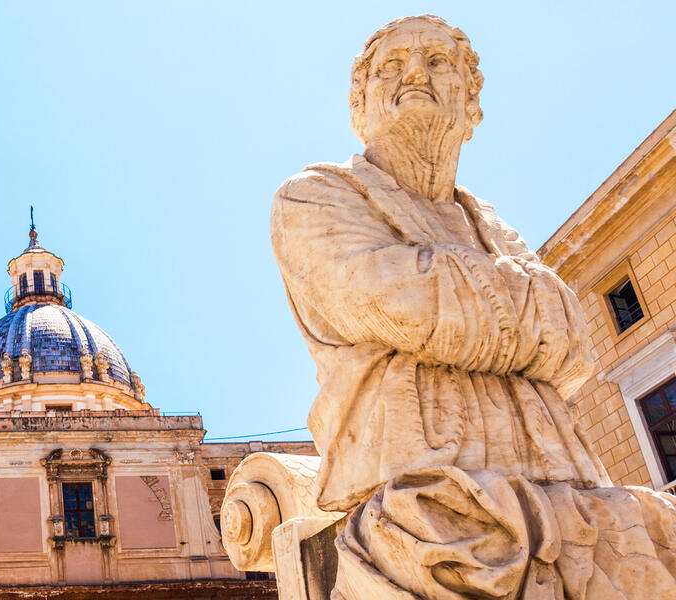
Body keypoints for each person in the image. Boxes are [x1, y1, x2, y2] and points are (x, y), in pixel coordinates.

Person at [271, 14, 676, 598]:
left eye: (437, 62)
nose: (415, 73)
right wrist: (523, 304)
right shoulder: (314, 196)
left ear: (471, 103)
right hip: (430, 512)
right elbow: (397, 303)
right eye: (392, 66)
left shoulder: (491, 225)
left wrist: (456, 291)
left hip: (574, 499)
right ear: (360, 104)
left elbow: (574, 346)